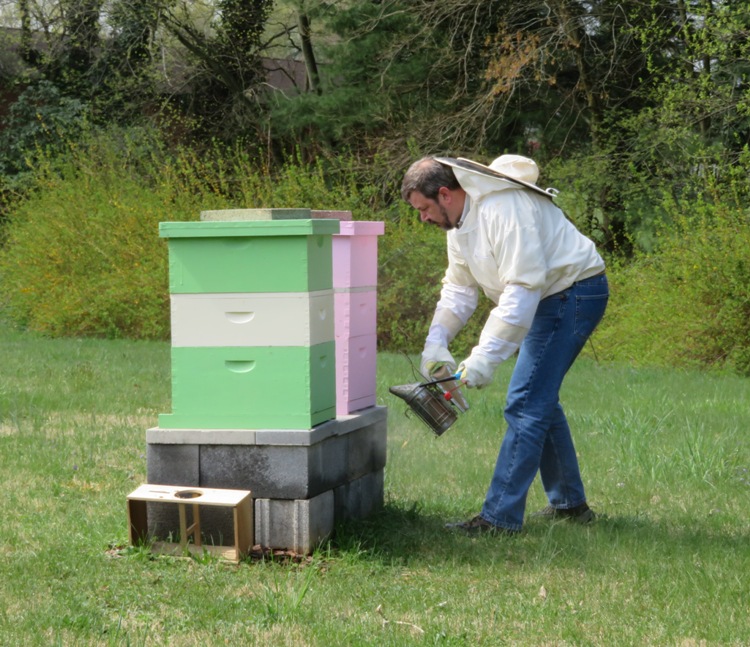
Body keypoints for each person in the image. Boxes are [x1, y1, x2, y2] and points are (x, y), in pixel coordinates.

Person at [400, 154, 609, 535]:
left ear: (445, 194)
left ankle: (499, 519)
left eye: (424, 209)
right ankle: (570, 504)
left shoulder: (502, 209)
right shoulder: (459, 224)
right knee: (539, 396)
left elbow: (522, 290)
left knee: (526, 400)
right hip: (547, 294)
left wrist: (484, 358)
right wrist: (436, 342)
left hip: (574, 291)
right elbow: (459, 290)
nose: (423, 218)